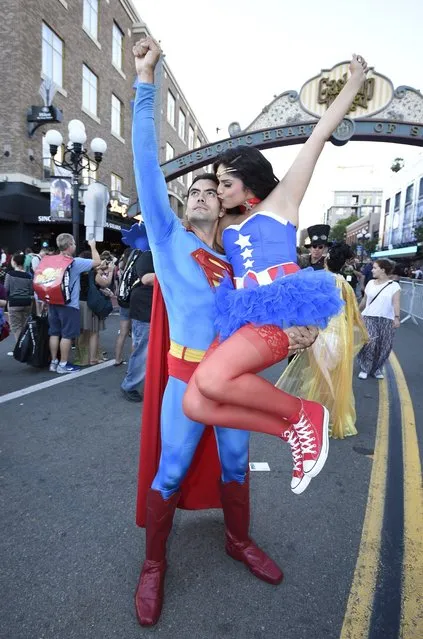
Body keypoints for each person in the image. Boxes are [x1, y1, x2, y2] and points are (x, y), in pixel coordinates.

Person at [131, 37, 316, 628]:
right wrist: (143, 83)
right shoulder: (169, 239)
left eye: (216, 190)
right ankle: (153, 565)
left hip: (234, 378)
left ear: (229, 203)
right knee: (171, 470)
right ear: (185, 206)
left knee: (235, 466)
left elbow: (273, 284)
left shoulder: (236, 254)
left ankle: (239, 540)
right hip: (186, 377)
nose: (207, 194)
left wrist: (302, 322)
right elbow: (143, 164)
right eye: (197, 191)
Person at [183, 54, 369, 488]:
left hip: (284, 308)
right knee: (195, 402)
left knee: (210, 378)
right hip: (246, 312)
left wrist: (354, 82)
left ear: (249, 182)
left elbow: (319, 135)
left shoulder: (283, 200)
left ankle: (304, 415)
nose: (220, 190)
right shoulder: (223, 225)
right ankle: (293, 431)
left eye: (226, 183)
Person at [277, 243, 368, 439]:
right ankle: (333, 416)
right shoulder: (345, 285)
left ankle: (316, 417)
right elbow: (354, 316)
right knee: (331, 377)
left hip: (323, 334)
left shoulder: (320, 280)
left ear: (327, 259)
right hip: (340, 335)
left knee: (320, 378)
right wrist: (363, 335)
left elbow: (309, 307)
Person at [48, 233, 100, 374]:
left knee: (54, 333)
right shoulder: (75, 262)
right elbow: (97, 262)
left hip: (53, 302)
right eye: (74, 244)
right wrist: (93, 246)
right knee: (66, 335)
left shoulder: (52, 260)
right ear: (69, 245)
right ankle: (63, 364)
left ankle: (54, 362)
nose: (75, 246)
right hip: (69, 305)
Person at [357, 259, 401, 380]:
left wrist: (397, 317)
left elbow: (396, 302)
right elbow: (365, 300)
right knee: (370, 342)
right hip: (369, 316)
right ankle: (365, 367)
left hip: (386, 319)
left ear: (383, 270)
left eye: (375, 268)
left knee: (384, 346)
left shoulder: (394, 286)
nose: (372, 270)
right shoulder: (370, 283)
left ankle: (376, 368)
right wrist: (356, 311)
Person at [120, 249, 154, 402]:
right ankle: (130, 385)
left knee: (144, 349)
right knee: (142, 349)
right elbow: (146, 278)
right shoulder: (147, 254)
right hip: (144, 309)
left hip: (152, 309)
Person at [4, 252, 33, 340]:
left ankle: (20, 350)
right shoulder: (29, 276)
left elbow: (6, 289)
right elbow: (31, 291)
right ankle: (27, 348)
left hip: (14, 303)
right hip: (27, 303)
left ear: (14, 262)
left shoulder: (10, 274)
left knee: (16, 327)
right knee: (25, 326)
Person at [114, 247, 132, 366]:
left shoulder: (121, 268)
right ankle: (133, 364)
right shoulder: (133, 267)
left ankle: (117, 358)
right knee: (136, 334)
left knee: (123, 333)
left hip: (123, 300)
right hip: (134, 301)